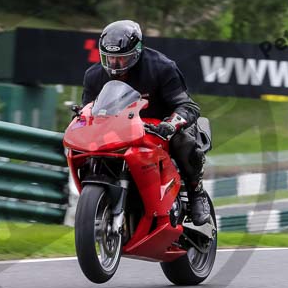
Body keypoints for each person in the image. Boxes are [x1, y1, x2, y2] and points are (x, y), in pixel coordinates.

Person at [81, 19, 211, 225]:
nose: (115, 65)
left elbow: (188, 106)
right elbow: (87, 112)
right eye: (110, 59)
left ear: (137, 52)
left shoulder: (162, 67)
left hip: (162, 128)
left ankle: (197, 193)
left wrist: (171, 124)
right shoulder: (94, 76)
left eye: (122, 59)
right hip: (120, 131)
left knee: (183, 141)